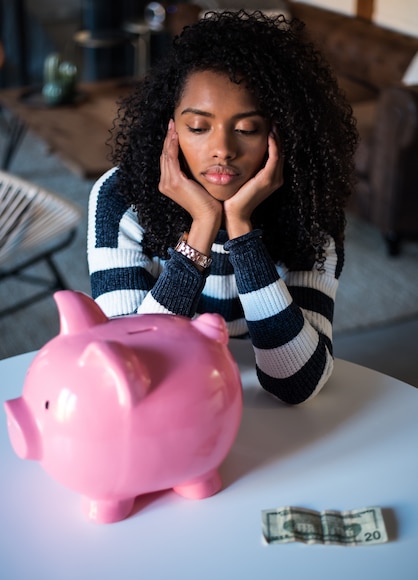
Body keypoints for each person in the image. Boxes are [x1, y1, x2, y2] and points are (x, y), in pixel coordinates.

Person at [87, 10, 358, 405]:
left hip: (248, 398)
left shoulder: (310, 207)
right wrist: (202, 228)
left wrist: (243, 235)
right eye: (198, 127)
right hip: (168, 404)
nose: (223, 150)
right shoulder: (121, 198)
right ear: (170, 128)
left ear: (281, 131)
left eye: (247, 129)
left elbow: (296, 383)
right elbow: (128, 367)